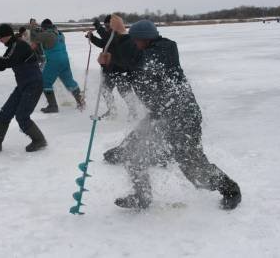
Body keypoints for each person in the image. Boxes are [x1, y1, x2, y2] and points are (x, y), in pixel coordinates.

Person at [98, 15, 241, 210]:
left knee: (193, 168)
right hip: (159, 114)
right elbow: (127, 66)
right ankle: (142, 196)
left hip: (182, 115)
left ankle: (230, 189)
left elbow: (140, 62)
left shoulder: (166, 49)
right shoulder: (141, 52)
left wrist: (122, 34)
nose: (133, 43)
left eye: (135, 40)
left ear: (145, 39)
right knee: (133, 152)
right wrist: (108, 62)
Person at [0, 24, 47, 153]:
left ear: (7, 35)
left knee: (22, 116)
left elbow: (6, 62)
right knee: (5, 113)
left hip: (33, 85)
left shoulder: (19, 45)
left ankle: (39, 140)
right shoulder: (13, 46)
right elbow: (2, 66)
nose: (0, 41)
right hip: (23, 85)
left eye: (1, 38)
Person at [86, 15, 137, 119]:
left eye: (108, 26)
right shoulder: (109, 36)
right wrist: (92, 38)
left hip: (121, 69)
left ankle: (133, 112)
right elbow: (103, 43)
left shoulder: (121, 35)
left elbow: (108, 37)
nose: (107, 28)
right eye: (105, 26)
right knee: (105, 90)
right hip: (109, 69)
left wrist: (98, 27)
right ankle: (112, 111)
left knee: (124, 91)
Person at [30, 19, 85, 113]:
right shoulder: (59, 34)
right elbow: (46, 38)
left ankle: (52, 106)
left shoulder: (48, 34)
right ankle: (81, 102)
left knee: (44, 82)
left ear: (44, 28)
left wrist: (32, 27)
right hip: (65, 61)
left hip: (54, 61)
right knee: (69, 81)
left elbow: (34, 38)